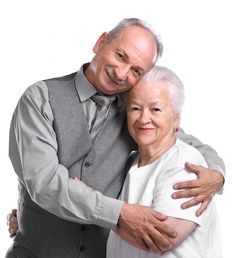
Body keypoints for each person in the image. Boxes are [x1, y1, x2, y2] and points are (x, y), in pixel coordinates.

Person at [5, 18, 224, 258]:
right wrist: (119, 213)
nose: (121, 73)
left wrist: (217, 175)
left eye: (136, 71)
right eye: (121, 56)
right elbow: (44, 183)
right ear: (101, 42)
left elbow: (183, 141)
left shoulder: (134, 112)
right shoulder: (39, 99)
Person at [106, 65, 222, 258]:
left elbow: (162, 239)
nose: (144, 119)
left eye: (156, 109)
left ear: (176, 120)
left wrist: (98, 209)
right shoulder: (131, 162)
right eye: (135, 108)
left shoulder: (185, 163)